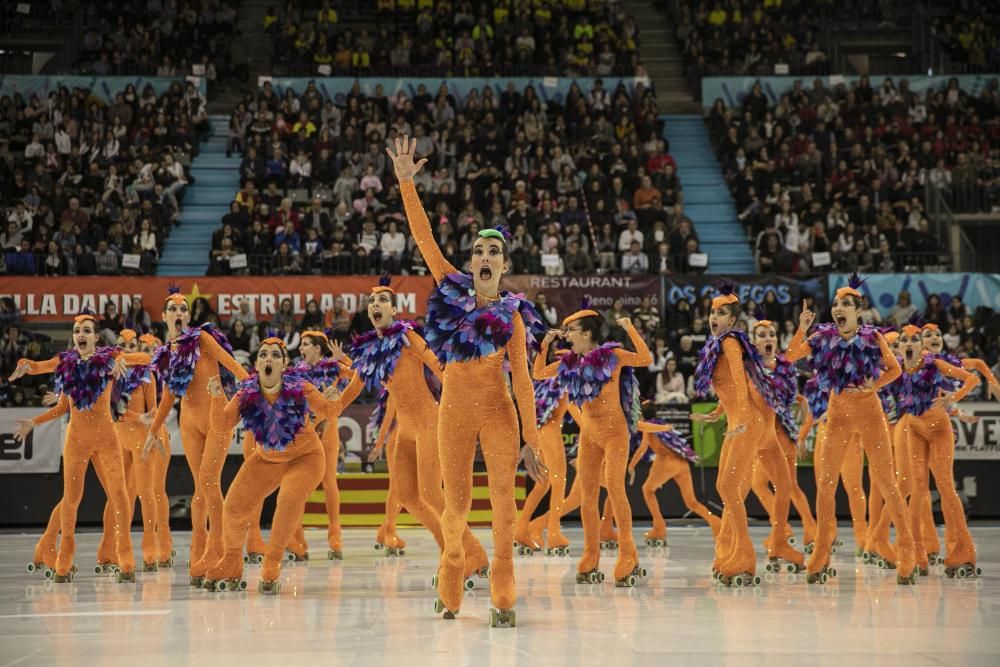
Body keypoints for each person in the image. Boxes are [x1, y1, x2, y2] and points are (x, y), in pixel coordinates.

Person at [391, 136, 545, 627]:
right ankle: (453, 568)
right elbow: (424, 241)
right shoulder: (451, 285)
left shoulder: (514, 316)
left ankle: (503, 580)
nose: (484, 256)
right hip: (453, 409)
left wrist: (532, 439)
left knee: (503, 501)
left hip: (499, 411)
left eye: (492, 252)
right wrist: (407, 184)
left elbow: (522, 380)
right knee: (454, 504)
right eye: (478, 250)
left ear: (503, 265)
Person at [356, 275, 489, 584]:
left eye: (383, 301)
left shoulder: (407, 338)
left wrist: (463, 403)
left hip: (430, 424)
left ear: (394, 309)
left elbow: (438, 368)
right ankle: (452, 552)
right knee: (407, 496)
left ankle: (474, 552)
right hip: (403, 432)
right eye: (372, 301)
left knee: (431, 493)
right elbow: (357, 381)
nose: (376, 305)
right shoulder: (372, 349)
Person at [785, 274, 916, 585]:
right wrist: (802, 328)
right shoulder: (821, 338)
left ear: (860, 310)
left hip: (871, 413)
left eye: (845, 304)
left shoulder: (873, 338)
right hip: (838, 414)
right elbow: (789, 357)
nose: (838, 308)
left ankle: (907, 551)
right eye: (835, 304)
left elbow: (895, 369)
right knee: (826, 486)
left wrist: (875, 384)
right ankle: (821, 553)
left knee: (887, 482)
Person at [201, 338, 355, 594]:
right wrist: (217, 397)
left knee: (287, 500)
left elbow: (329, 410)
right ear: (257, 363)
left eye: (275, 355)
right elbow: (222, 425)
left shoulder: (301, 386)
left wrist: (336, 395)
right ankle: (231, 561)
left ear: (284, 364)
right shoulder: (246, 392)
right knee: (234, 506)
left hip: (305, 458)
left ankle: (272, 563)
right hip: (267, 459)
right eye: (263, 355)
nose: (268, 359)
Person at [10, 311, 150, 582]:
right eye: (77, 331)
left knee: (120, 496)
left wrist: (120, 359)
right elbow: (43, 377)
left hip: (108, 440)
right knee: (72, 500)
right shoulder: (65, 364)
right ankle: (63, 559)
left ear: (96, 337)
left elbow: (145, 358)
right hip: (76, 441)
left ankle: (125, 557)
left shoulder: (108, 359)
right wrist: (34, 420)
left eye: (86, 331)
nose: (81, 335)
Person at [534, 307, 652, 587]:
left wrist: (629, 327)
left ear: (587, 333)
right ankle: (590, 554)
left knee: (614, 487)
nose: (567, 336)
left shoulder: (613, 357)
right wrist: (545, 344)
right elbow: (539, 374)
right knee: (587, 497)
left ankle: (627, 554)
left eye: (571, 331)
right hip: (589, 436)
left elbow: (646, 359)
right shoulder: (570, 363)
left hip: (615, 435)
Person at [142, 289, 249, 586]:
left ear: (188, 316)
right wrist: (153, 431)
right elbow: (168, 397)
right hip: (188, 422)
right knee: (200, 490)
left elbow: (233, 366)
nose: (178, 313)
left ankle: (222, 552)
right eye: (172, 309)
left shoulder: (202, 339)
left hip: (217, 418)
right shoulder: (168, 352)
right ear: (163, 317)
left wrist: (256, 391)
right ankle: (200, 549)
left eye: (183, 309)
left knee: (210, 484)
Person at [690, 281, 785, 586]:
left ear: (732, 320)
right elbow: (728, 389)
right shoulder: (719, 343)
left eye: (720, 312)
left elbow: (742, 384)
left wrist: (741, 417)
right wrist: (715, 414)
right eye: (712, 311)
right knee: (726, 486)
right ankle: (734, 548)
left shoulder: (730, 343)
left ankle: (744, 553)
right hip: (736, 422)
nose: (713, 317)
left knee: (729, 487)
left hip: (747, 424)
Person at [243, 330, 359, 563]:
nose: (302, 348)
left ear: (317, 348)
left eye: (305, 344)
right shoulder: (296, 373)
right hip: (302, 431)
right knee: (295, 488)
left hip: (328, 428)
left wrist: (343, 358)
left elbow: (360, 376)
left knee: (328, 481)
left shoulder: (333, 367)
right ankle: (297, 540)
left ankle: (335, 534)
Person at [628, 401, 719, 546]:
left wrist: (631, 466)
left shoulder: (649, 427)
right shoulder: (661, 425)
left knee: (647, 490)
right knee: (691, 502)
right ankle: (716, 523)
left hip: (667, 462)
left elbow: (643, 449)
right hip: (681, 464)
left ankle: (659, 527)